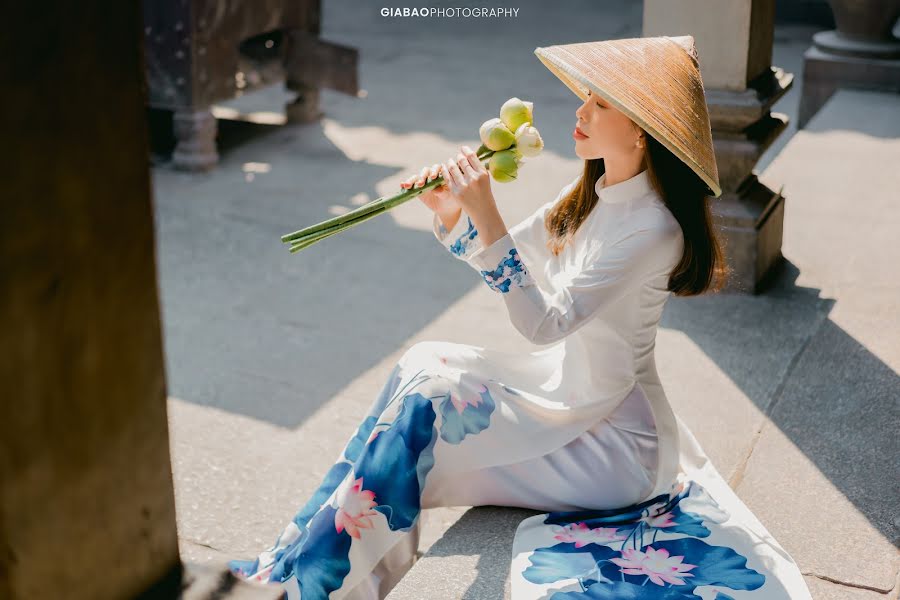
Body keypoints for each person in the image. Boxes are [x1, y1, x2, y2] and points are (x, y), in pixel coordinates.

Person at [228, 35, 812, 600]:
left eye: (600, 102)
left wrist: (486, 211)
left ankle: (310, 586)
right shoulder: (595, 189)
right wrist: (456, 210)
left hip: (615, 441)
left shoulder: (653, 229)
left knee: (426, 408)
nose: (580, 110)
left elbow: (544, 322)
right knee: (422, 364)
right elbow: (505, 254)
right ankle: (291, 560)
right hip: (561, 401)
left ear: (640, 127)